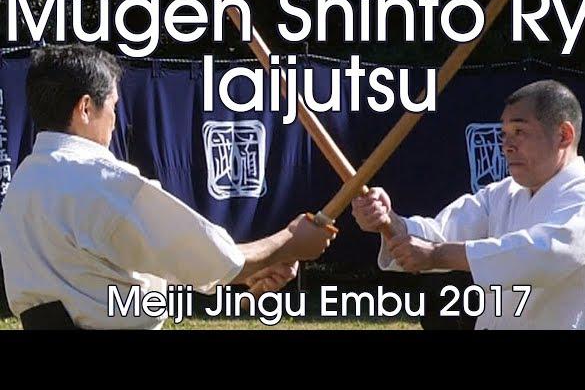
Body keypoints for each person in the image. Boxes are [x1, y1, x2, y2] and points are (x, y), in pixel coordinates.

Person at [0, 43, 336, 330]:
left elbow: (139, 265)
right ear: (86, 107)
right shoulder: (97, 178)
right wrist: (290, 242)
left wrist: (250, 267)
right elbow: (211, 258)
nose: (116, 122)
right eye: (114, 106)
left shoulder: (24, 183)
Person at [352, 80, 585, 330]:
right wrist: (388, 221)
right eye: (504, 134)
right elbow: (439, 233)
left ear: (564, 135)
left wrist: (439, 254)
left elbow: (549, 254)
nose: (507, 145)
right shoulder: (501, 194)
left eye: (520, 131)